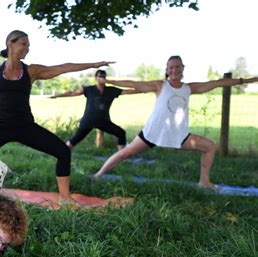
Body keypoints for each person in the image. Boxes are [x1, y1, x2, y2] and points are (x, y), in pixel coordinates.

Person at [0, 30, 114, 204]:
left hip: (25, 126)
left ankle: (64, 197)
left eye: (28, 45)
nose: (27, 48)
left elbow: (63, 67)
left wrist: (93, 65)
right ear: (10, 44)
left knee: (63, 151)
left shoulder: (31, 71)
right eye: (23, 44)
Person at [93, 55, 258, 188]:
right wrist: (109, 82)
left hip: (178, 135)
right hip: (153, 132)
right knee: (125, 153)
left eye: (178, 66)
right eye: (171, 67)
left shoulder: (189, 88)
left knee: (209, 146)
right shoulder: (160, 85)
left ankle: (204, 182)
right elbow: (135, 83)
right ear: (167, 70)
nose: (174, 70)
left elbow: (218, 83)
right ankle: (98, 175)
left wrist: (246, 81)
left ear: (183, 69)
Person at [51, 69, 141, 151]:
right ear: (96, 78)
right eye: (100, 76)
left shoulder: (111, 90)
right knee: (74, 140)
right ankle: (61, 153)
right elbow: (73, 93)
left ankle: (122, 154)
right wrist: (57, 96)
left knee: (121, 133)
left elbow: (127, 91)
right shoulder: (89, 89)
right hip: (88, 120)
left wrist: (143, 89)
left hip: (103, 121)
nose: (102, 78)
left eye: (103, 77)